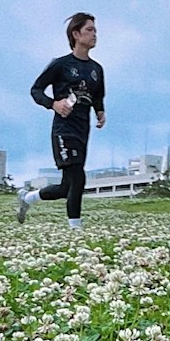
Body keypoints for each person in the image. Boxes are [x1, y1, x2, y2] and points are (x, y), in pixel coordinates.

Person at [18, 13, 105, 228]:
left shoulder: (97, 69)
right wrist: (54, 104)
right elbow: (35, 90)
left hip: (83, 130)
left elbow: (98, 96)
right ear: (76, 34)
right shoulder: (61, 65)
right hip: (63, 130)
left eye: (95, 30)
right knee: (78, 178)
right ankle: (76, 230)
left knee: (67, 187)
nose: (95, 34)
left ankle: (27, 198)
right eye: (89, 30)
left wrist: (100, 112)